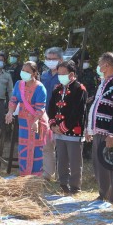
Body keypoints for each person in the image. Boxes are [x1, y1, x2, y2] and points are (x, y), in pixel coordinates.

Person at [86, 52, 113, 205]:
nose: (98, 67)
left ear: (106, 66)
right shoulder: (104, 83)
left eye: (100, 64)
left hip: (110, 133)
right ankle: (103, 193)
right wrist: (89, 128)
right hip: (99, 131)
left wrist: (112, 134)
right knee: (99, 164)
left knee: (112, 163)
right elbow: (96, 107)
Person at [48, 60, 88, 194]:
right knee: (62, 159)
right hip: (58, 131)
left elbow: (78, 112)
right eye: (59, 73)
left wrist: (64, 127)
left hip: (73, 131)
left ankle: (75, 187)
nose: (60, 76)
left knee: (75, 161)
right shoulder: (57, 89)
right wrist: (53, 125)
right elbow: (51, 109)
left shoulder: (79, 89)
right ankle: (63, 184)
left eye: (63, 74)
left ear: (71, 74)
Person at [5, 61, 47, 176]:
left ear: (34, 73)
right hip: (23, 121)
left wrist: (36, 121)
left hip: (36, 122)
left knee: (36, 149)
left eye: (27, 71)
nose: (24, 73)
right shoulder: (19, 84)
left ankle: (35, 177)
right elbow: (13, 100)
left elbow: (40, 108)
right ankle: (24, 173)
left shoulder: (40, 88)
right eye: (23, 70)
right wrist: (10, 112)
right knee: (23, 146)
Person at [40, 47, 63, 181]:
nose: (50, 61)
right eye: (48, 59)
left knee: (61, 147)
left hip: (60, 116)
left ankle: (62, 175)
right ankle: (48, 173)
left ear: (60, 60)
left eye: (53, 59)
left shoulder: (64, 76)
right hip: (45, 115)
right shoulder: (44, 75)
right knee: (47, 146)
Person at [76, 51, 97, 160]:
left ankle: (87, 151)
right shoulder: (74, 72)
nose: (85, 63)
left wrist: (91, 97)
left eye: (87, 61)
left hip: (89, 104)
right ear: (78, 61)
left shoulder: (92, 73)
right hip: (76, 105)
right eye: (83, 61)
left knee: (88, 125)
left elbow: (95, 88)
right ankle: (78, 149)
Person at [0, 52, 13, 138]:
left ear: (4, 63)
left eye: (1, 60)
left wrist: (12, 103)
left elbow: (10, 90)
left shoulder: (7, 75)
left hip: (1, 101)